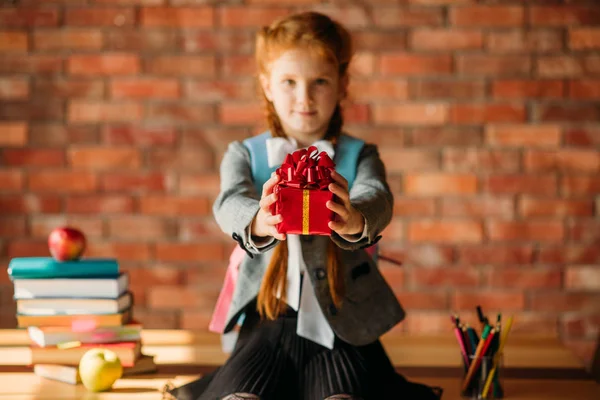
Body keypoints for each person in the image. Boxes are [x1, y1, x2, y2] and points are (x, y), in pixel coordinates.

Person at [165, 11, 442, 400]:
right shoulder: (243, 153)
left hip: (342, 321)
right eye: (289, 83)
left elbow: (377, 195)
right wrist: (259, 221)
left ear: (343, 85)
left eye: (320, 82)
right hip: (267, 318)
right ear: (267, 86)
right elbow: (228, 202)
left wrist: (355, 218)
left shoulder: (359, 154)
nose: (304, 98)